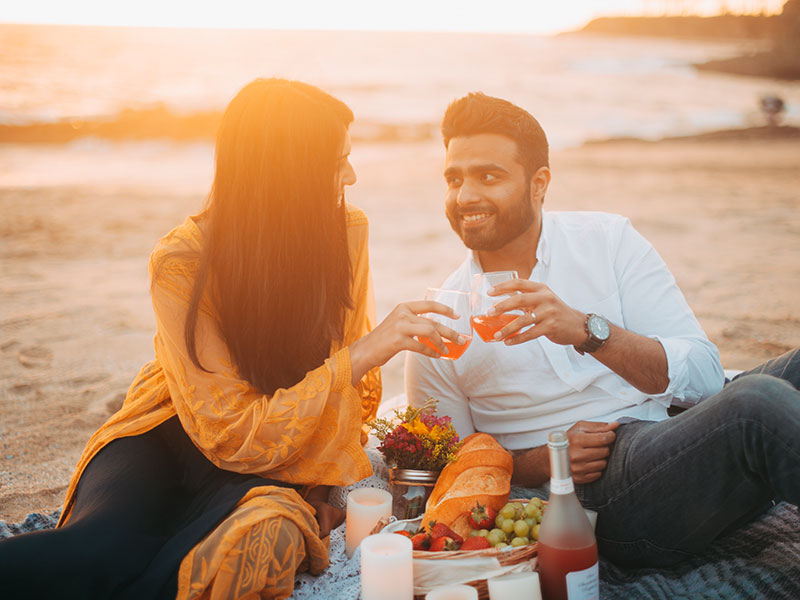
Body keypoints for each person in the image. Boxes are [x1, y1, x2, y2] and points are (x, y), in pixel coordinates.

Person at [0, 78, 461, 600]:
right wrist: (365, 352)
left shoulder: (345, 231)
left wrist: (321, 485)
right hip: (174, 431)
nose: (351, 175)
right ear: (286, 173)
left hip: (284, 444)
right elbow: (227, 429)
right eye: (337, 161)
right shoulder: (181, 262)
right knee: (99, 550)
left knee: (256, 544)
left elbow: (350, 389)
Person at [405, 91, 800, 567]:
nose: (466, 195)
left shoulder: (607, 240)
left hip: (675, 424)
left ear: (539, 183)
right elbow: (447, 471)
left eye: (489, 176)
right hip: (604, 490)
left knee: (763, 387)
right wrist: (544, 460)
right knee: (753, 407)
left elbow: (704, 378)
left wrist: (590, 332)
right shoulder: (442, 323)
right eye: (454, 178)